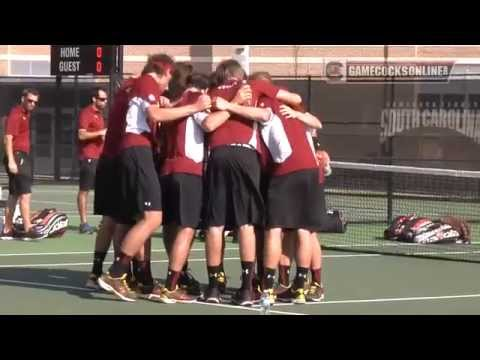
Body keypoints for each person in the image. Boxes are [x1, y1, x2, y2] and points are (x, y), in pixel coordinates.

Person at [97, 54, 211, 303]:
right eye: (169, 77)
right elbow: (156, 116)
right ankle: (116, 273)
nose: (168, 85)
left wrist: (174, 104)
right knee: (152, 217)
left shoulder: (141, 87)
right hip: (137, 150)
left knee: (139, 217)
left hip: (135, 151)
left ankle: (133, 275)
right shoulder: (147, 82)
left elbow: (155, 114)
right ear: (162, 70)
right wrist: (194, 106)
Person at [201, 59, 301, 306]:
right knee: (246, 223)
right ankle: (247, 287)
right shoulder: (254, 85)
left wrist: (227, 106)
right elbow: (294, 98)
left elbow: (209, 124)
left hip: (217, 155)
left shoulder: (212, 94)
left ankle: (214, 286)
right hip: (245, 155)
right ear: (240, 75)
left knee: (215, 224)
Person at [159, 72, 211, 302]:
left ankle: (177, 275)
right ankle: (171, 285)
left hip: (167, 170)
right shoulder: (195, 99)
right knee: (187, 228)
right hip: (187, 170)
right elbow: (208, 124)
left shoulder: (175, 103)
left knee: (170, 226)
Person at [2, 89, 40, 240]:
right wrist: (11, 160)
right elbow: (8, 138)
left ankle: (7, 229)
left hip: (20, 156)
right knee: (25, 193)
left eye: (35, 102)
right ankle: (28, 228)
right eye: (30, 100)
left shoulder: (25, 114)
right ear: (23, 98)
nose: (32, 104)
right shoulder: (17, 114)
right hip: (17, 156)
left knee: (14, 194)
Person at [77, 88, 108, 234]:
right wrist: (100, 133)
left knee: (104, 189)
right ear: (94, 99)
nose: (105, 102)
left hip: (100, 157)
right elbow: (82, 135)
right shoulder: (86, 113)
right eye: (102, 99)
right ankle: (83, 223)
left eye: (106, 99)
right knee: (85, 190)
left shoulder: (100, 115)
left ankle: (104, 222)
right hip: (88, 156)